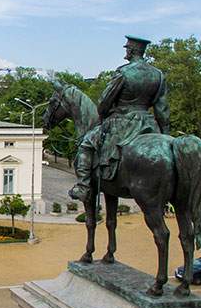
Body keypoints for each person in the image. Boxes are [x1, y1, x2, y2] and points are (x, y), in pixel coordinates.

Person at [69, 36, 170, 203]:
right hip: (149, 124)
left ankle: (83, 186)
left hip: (123, 123)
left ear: (131, 51)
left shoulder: (124, 72)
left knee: (86, 143)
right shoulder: (157, 75)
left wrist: (103, 114)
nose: (126, 52)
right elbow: (162, 110)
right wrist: (165, 136)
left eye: (127, 49)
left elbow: (103, 103)